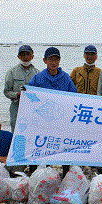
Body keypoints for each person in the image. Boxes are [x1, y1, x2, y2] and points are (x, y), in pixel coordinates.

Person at [28, 46, 77, 176]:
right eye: (50, 59)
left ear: (59, 61)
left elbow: (74, 96)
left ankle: (66, 173)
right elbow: (31, 96)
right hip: (43, 120)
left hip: (61, 120)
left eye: (56, 59)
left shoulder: (65, 78)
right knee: (42, 145)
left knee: (63, 145)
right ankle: (40, 173)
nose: (53, 62)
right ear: (45, 60)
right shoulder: (38, 77)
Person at [4, 45, 40, 133]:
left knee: (32, 130)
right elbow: (6, 92)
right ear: (18, 57)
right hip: (16, 107)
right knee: (16, 130)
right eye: (23, 55)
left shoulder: (38, 73)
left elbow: (41, 92)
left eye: (28, 54)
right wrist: (17, 94)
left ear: (32, 56)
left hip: (33, 108)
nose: (26, 57)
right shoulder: (11, 72)